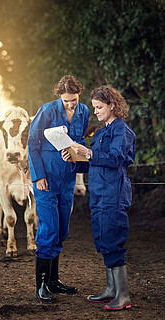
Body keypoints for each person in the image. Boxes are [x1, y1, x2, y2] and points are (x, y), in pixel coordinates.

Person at [62, 85, 136, 311]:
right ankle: (111, 290)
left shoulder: (122, 130)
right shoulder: (103, 131)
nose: (95, 111)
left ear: (112, 105)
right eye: (94, 107)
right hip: (99, 193)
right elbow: (96, 164)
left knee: (113, 241)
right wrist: (74, 159)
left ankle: (123, 295)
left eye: (99, 107)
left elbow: (116, 160)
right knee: (103, 240)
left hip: (113, 194)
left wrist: (88, 152)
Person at [27, 75, 90, 303]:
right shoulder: (46, 111)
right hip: (46, 179)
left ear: (79, 94)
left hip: (67, 179)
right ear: (59, 97)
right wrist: (39, 177)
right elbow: (32, 145)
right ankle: (41, 286)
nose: (71, 104)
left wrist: (76, 156)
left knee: (62, 229)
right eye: (66, 101)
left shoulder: (84, 111)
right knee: (49, 229)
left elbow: (79, 142)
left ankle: (54, 281)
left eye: (73, 99)